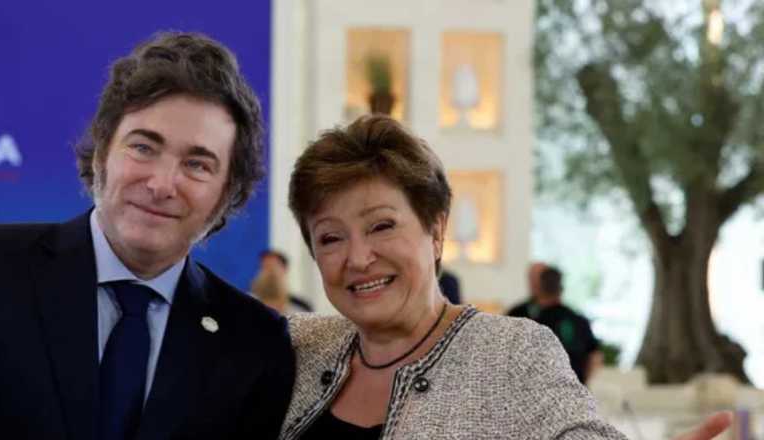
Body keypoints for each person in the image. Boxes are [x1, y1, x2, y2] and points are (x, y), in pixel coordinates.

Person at [0, 32, 295, 439]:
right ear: (101, 153)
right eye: (143, 147)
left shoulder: (255, 342)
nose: (162, 184)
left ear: (227, 194)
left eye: (197, 165)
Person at [278, 114, 729, 439]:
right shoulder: (300, 346)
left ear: (436, 229)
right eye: (331, 238)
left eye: (381, 226)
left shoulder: (513, 352)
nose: (358, 258)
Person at [524, 266, 603, 384]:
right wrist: (582, 383)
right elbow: (595, 356)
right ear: (562, 288)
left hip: (542, 387)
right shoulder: (578, 319)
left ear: (539, 288)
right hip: (574, 387)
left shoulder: (532, 322)